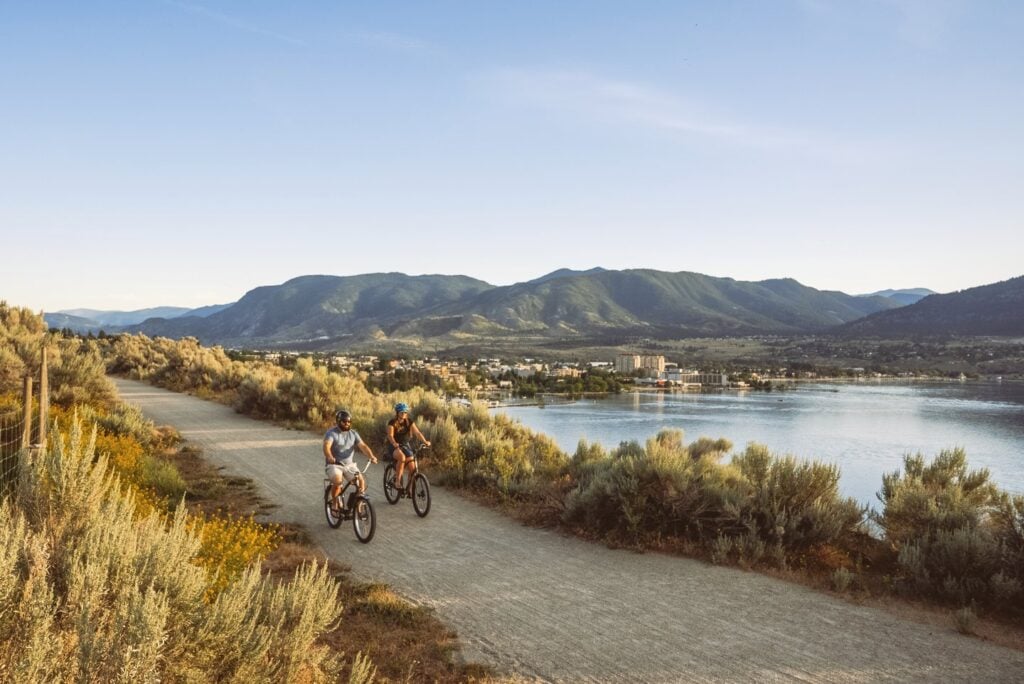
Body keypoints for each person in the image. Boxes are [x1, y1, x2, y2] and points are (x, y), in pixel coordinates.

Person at [324, 408, 377, 513]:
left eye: (349, 421)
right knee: (338, 482)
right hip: (334, 464)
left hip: (349, 465)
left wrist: (371, 456)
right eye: (345, 421)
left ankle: (359, 503)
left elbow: (363, 446)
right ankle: (335, 502)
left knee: (361, 481)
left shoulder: (353, 433)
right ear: (339, 421)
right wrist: (329, 456)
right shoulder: (331, 433)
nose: (347, 424)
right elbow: (326, 446)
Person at [386, 402, 430, 494]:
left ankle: (409, 489)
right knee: (401, 458)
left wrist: (425, 441)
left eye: (405, 412)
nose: (404, 414)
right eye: (402, 412)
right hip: (394, 445)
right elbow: (390, 435)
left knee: (412, 467)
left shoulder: (409, 421)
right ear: (397, 412)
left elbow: (417, 433)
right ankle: (397, 481)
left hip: (405, 445)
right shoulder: (392, 422)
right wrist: (394, 443)